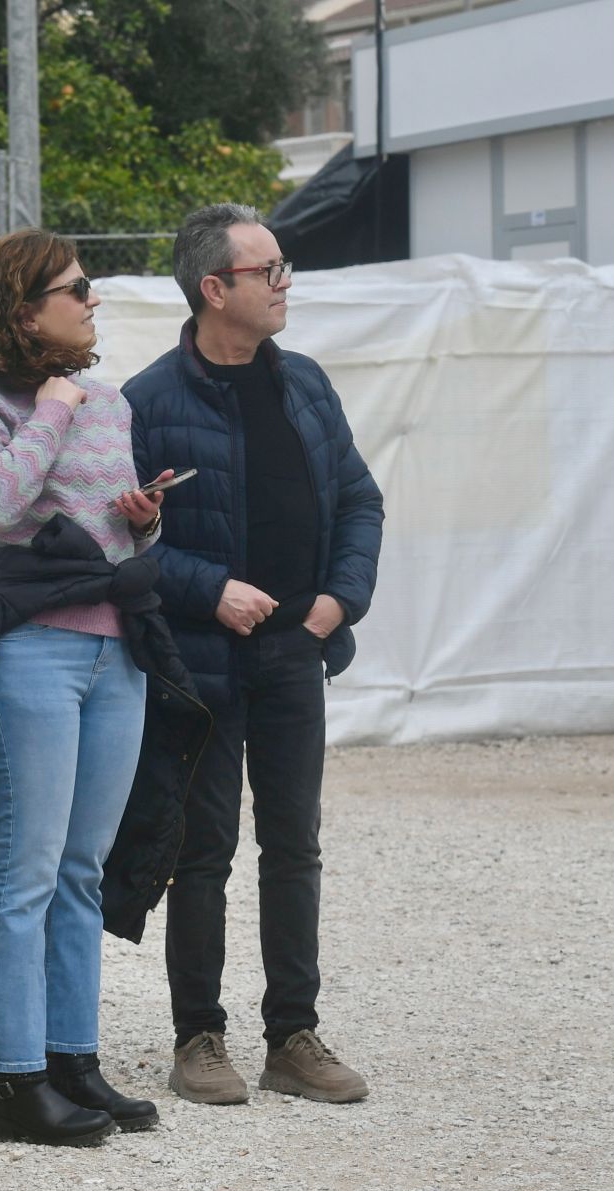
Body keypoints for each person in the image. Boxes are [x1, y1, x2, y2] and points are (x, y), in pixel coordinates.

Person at [121, 203, 384, 1106]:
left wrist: (335, 602)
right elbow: (121, 542)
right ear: (214, 289)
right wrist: (209, 589)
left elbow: (360, 500)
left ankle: (292, 1036)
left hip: (292, 659)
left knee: (294, 846)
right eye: (266, 270)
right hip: (200, 668)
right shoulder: (146, 403)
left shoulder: (305, 385)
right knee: (202, 851)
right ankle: (197, 1037)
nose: (284, 283)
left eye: (282, 268)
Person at [0, 228, 170, 1145]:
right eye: (76, 288)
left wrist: (141, 523)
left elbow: (105, 539)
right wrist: (52, 409)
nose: (93, 300)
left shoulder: (108, 403)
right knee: (27, 870)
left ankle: (73, 1059)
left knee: (82, 870)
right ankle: (14, 1080)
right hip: (31, 654)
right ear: (25, 309)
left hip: (119, 656)